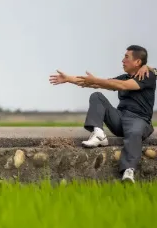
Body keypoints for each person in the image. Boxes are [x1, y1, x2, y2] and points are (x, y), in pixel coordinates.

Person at [49, 45, 156, 183]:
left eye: (126, 57)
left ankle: (128, 171)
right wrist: (69, 78)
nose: (122, 60)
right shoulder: (123, 77)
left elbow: (122, 86)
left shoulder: (148, 75)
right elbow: (95, 84)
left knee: (134, 132)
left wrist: (149, 67)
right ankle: (99, 133)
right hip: (120, 118)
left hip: (139, 120)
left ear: (137, 62)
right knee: (97, 95)